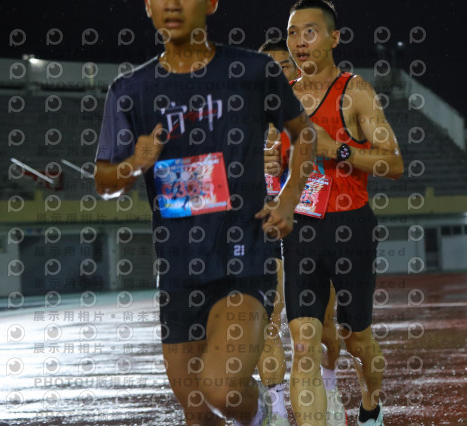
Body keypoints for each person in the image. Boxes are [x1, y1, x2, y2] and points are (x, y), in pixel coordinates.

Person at [94, 1, 314, 425]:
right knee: (197, 413)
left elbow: (303, 134)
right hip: (177, 271)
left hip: (243, 258)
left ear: (211, 3)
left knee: (222, 390)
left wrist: (289, 199)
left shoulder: (252, 71)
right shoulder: (130, 90)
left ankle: (263, 414)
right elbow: (104, 182)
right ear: (148, 6)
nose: (173, 4)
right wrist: (133, 164)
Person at [281, 1, 404, 425]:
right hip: (301, 228)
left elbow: (394, 163)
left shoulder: (356, 92)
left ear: (334, 38)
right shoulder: (281, 99)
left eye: (309, 31)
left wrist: (339, 149)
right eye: (292, 32)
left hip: (351, 227)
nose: (299, 41)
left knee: (357, 339)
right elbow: (278, 166)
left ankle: (371, 403)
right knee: (303, 344)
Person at [257, 39, 344, 426]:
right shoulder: (245, 117)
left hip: (311, 228)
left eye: (283, 65)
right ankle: (276, 409)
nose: (275, 73)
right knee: (268, 320)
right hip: (265, 230)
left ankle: (329, 381)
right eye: (268, 66)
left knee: (321, 328)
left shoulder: (317, 114)